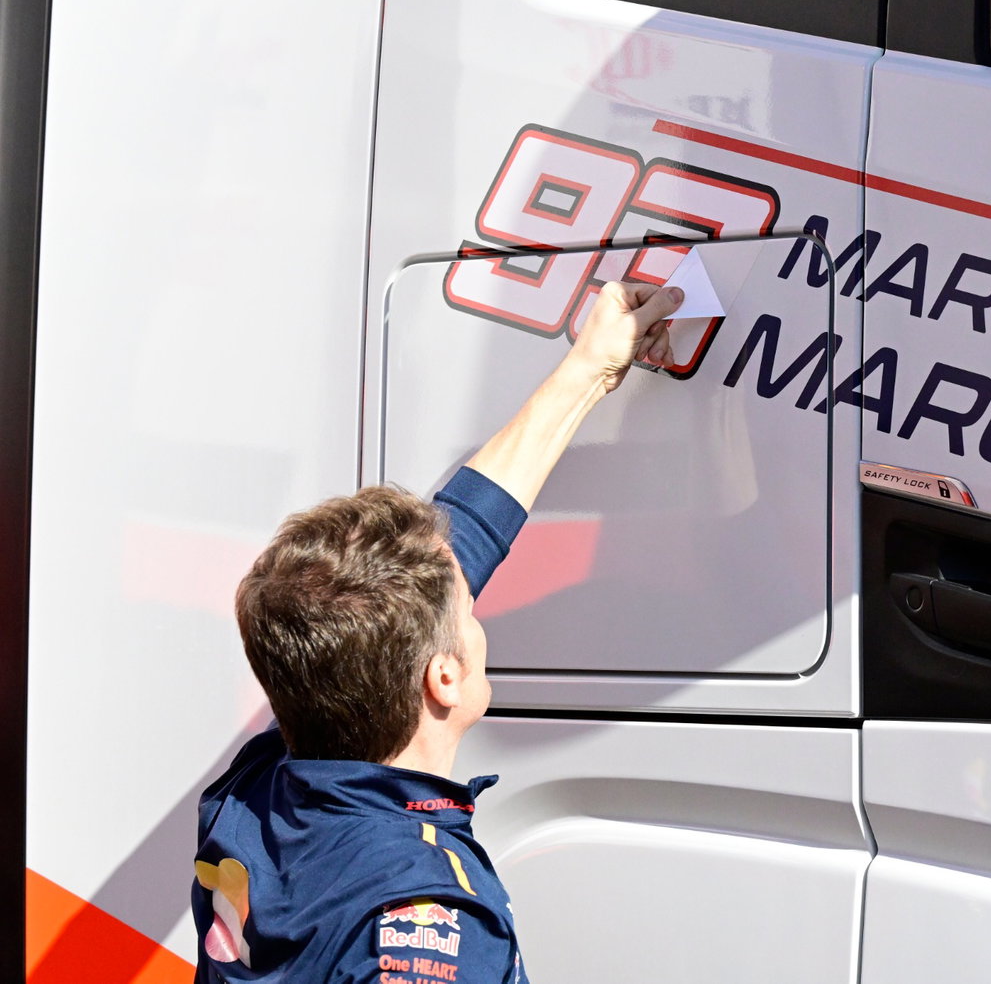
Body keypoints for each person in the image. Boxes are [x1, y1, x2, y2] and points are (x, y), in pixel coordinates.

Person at [191, 280, 684, 984]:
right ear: (442, 677)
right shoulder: (428, 922)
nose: (477, 604)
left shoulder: (256, 795)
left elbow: (464, 537)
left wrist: (591, 370)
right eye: (469, 611)